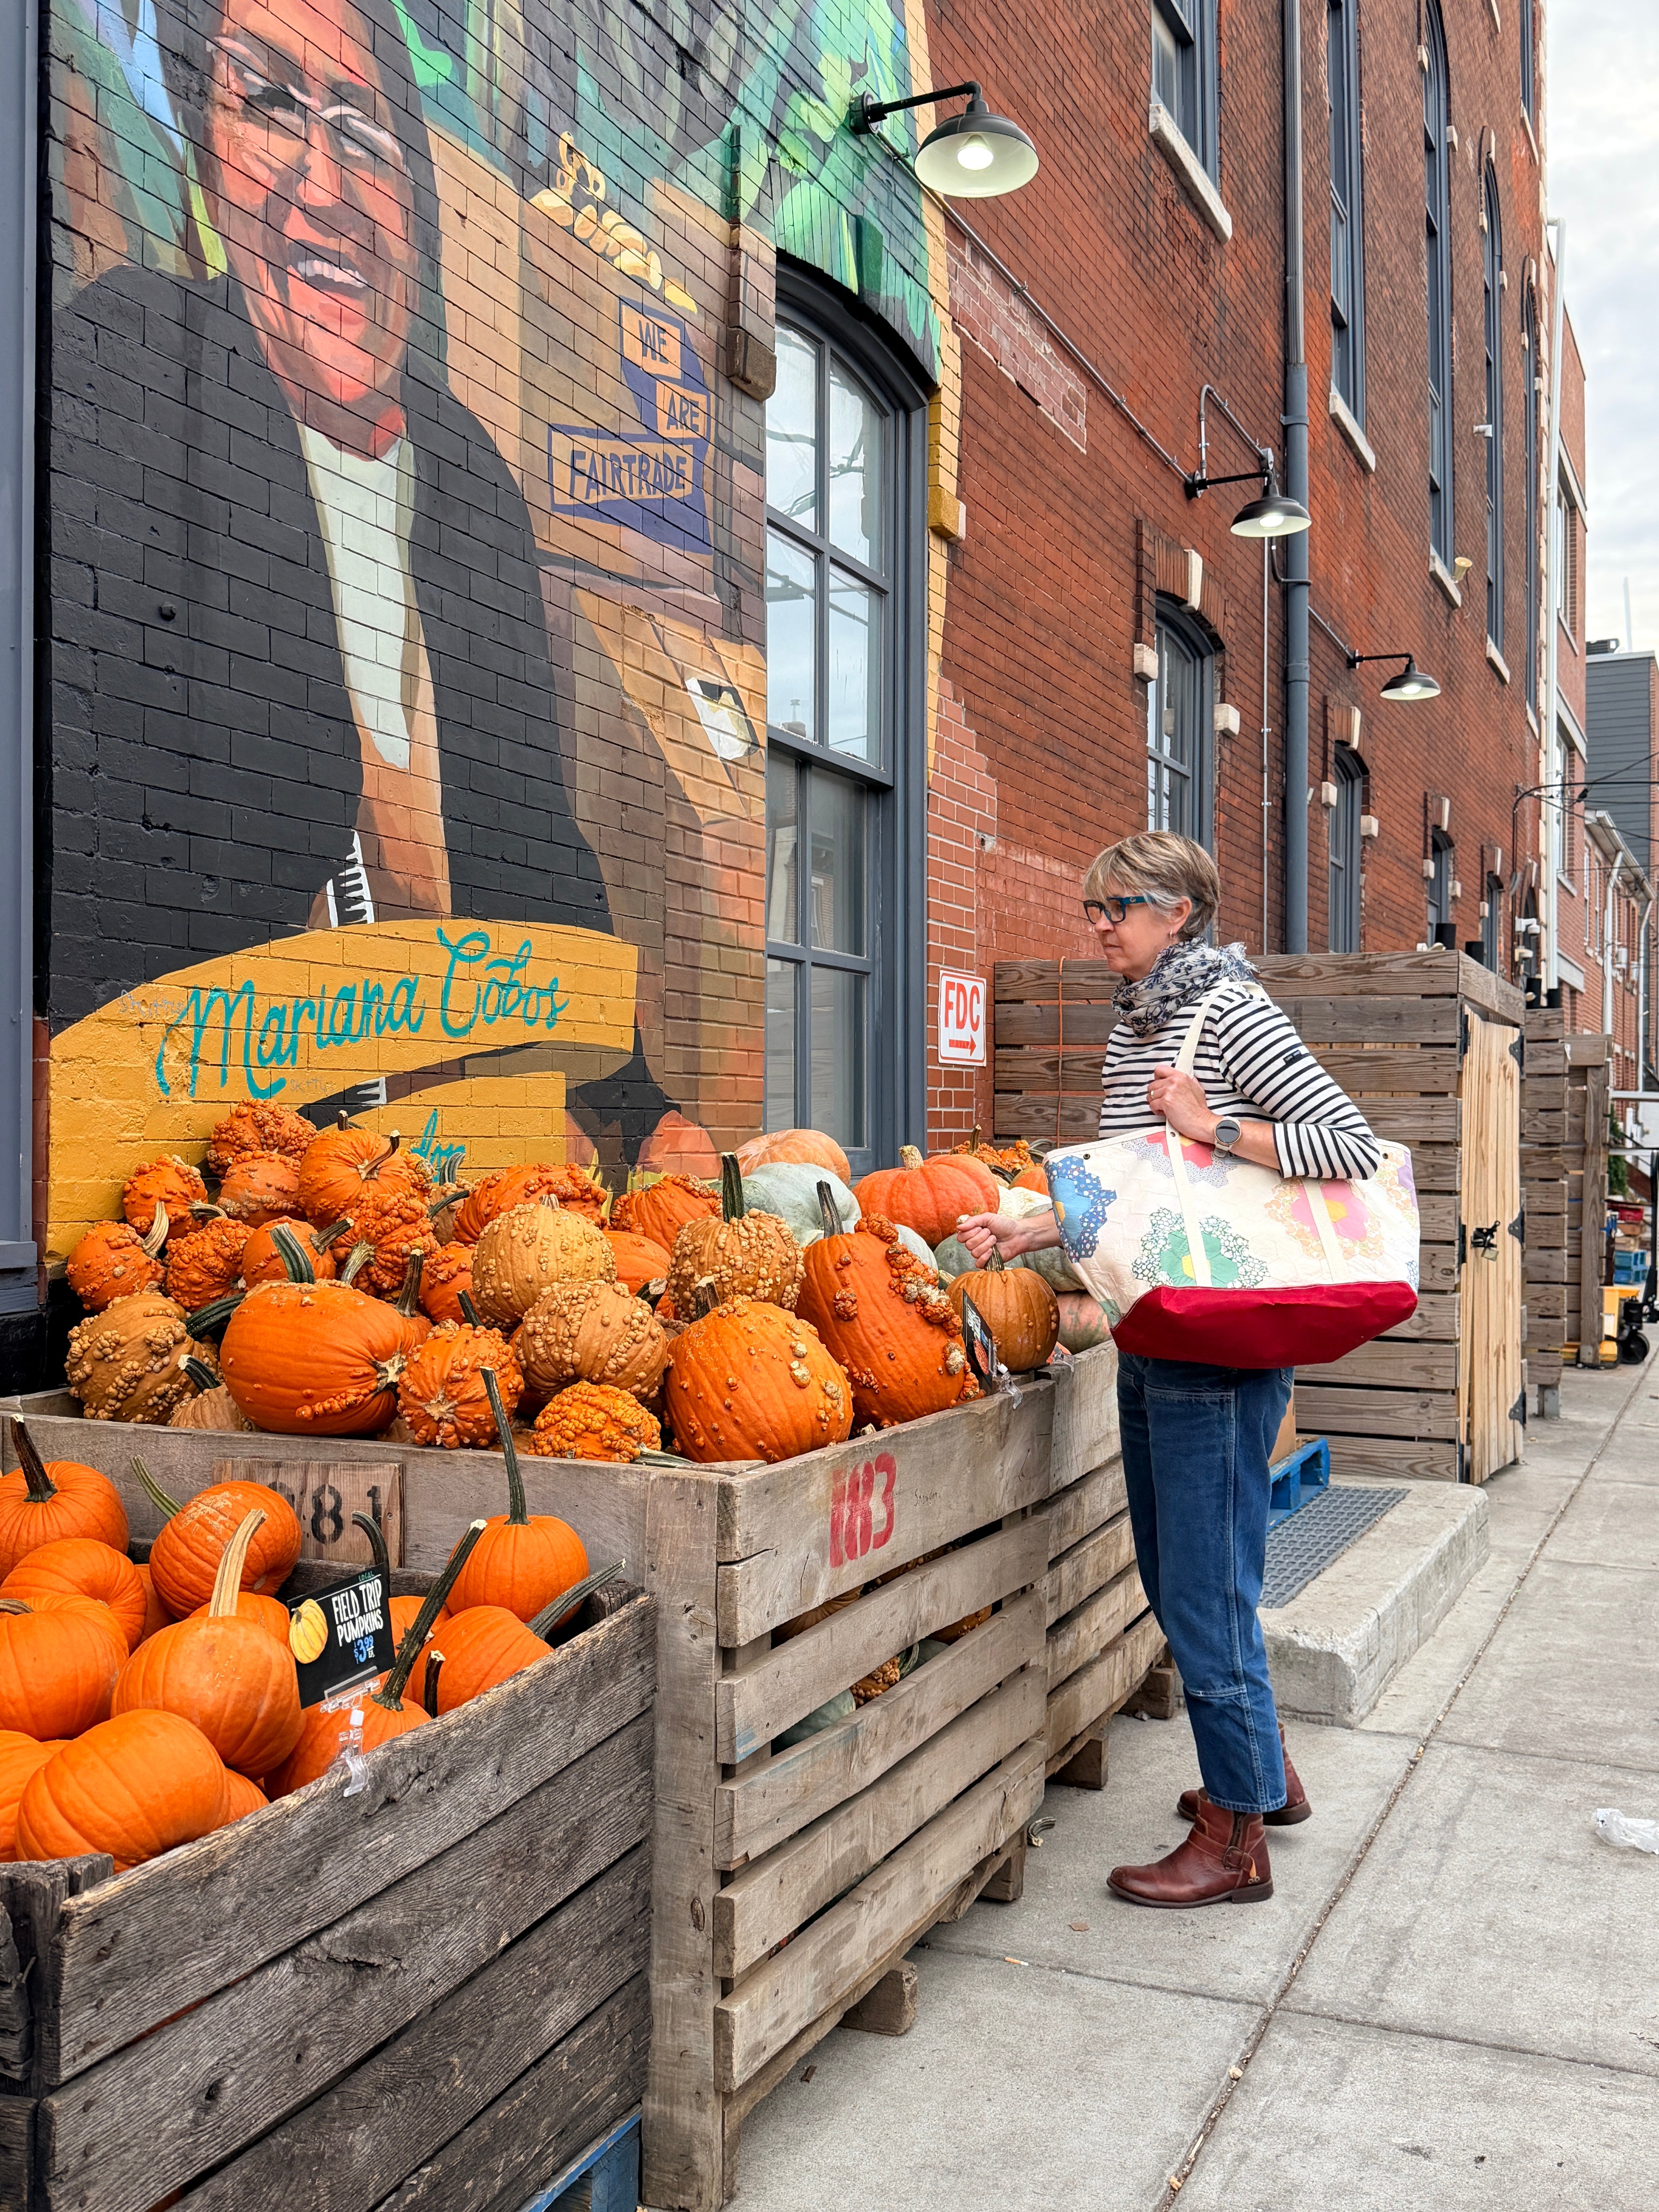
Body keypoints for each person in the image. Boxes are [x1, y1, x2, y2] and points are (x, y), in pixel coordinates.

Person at [50, 0, 690, 1161]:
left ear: (418, 196)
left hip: (459, 1161)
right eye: (266, 104)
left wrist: (636, 1111)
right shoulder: (132, 362)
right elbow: (91, 811)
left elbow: (528, 834)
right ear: (207, 163)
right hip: (229, 1165)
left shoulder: (465, 477)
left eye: (361, 130)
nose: (323, 183)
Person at [958, 832, 1382, 1908]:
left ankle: (1235, 1839)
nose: (1099, 924)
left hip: (1217, 1352)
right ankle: (1264, 1777)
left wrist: (1216, 1125)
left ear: (1178, 912)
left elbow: (1350, 1146)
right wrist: (1034, 1232)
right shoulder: (1138, 1022)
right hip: (1155, 1333)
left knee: (1203, 1591)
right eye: (1093, 907)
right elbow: (1139, 1195)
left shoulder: (1228, 1012)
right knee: (1176, 1577)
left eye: (1120, 906)